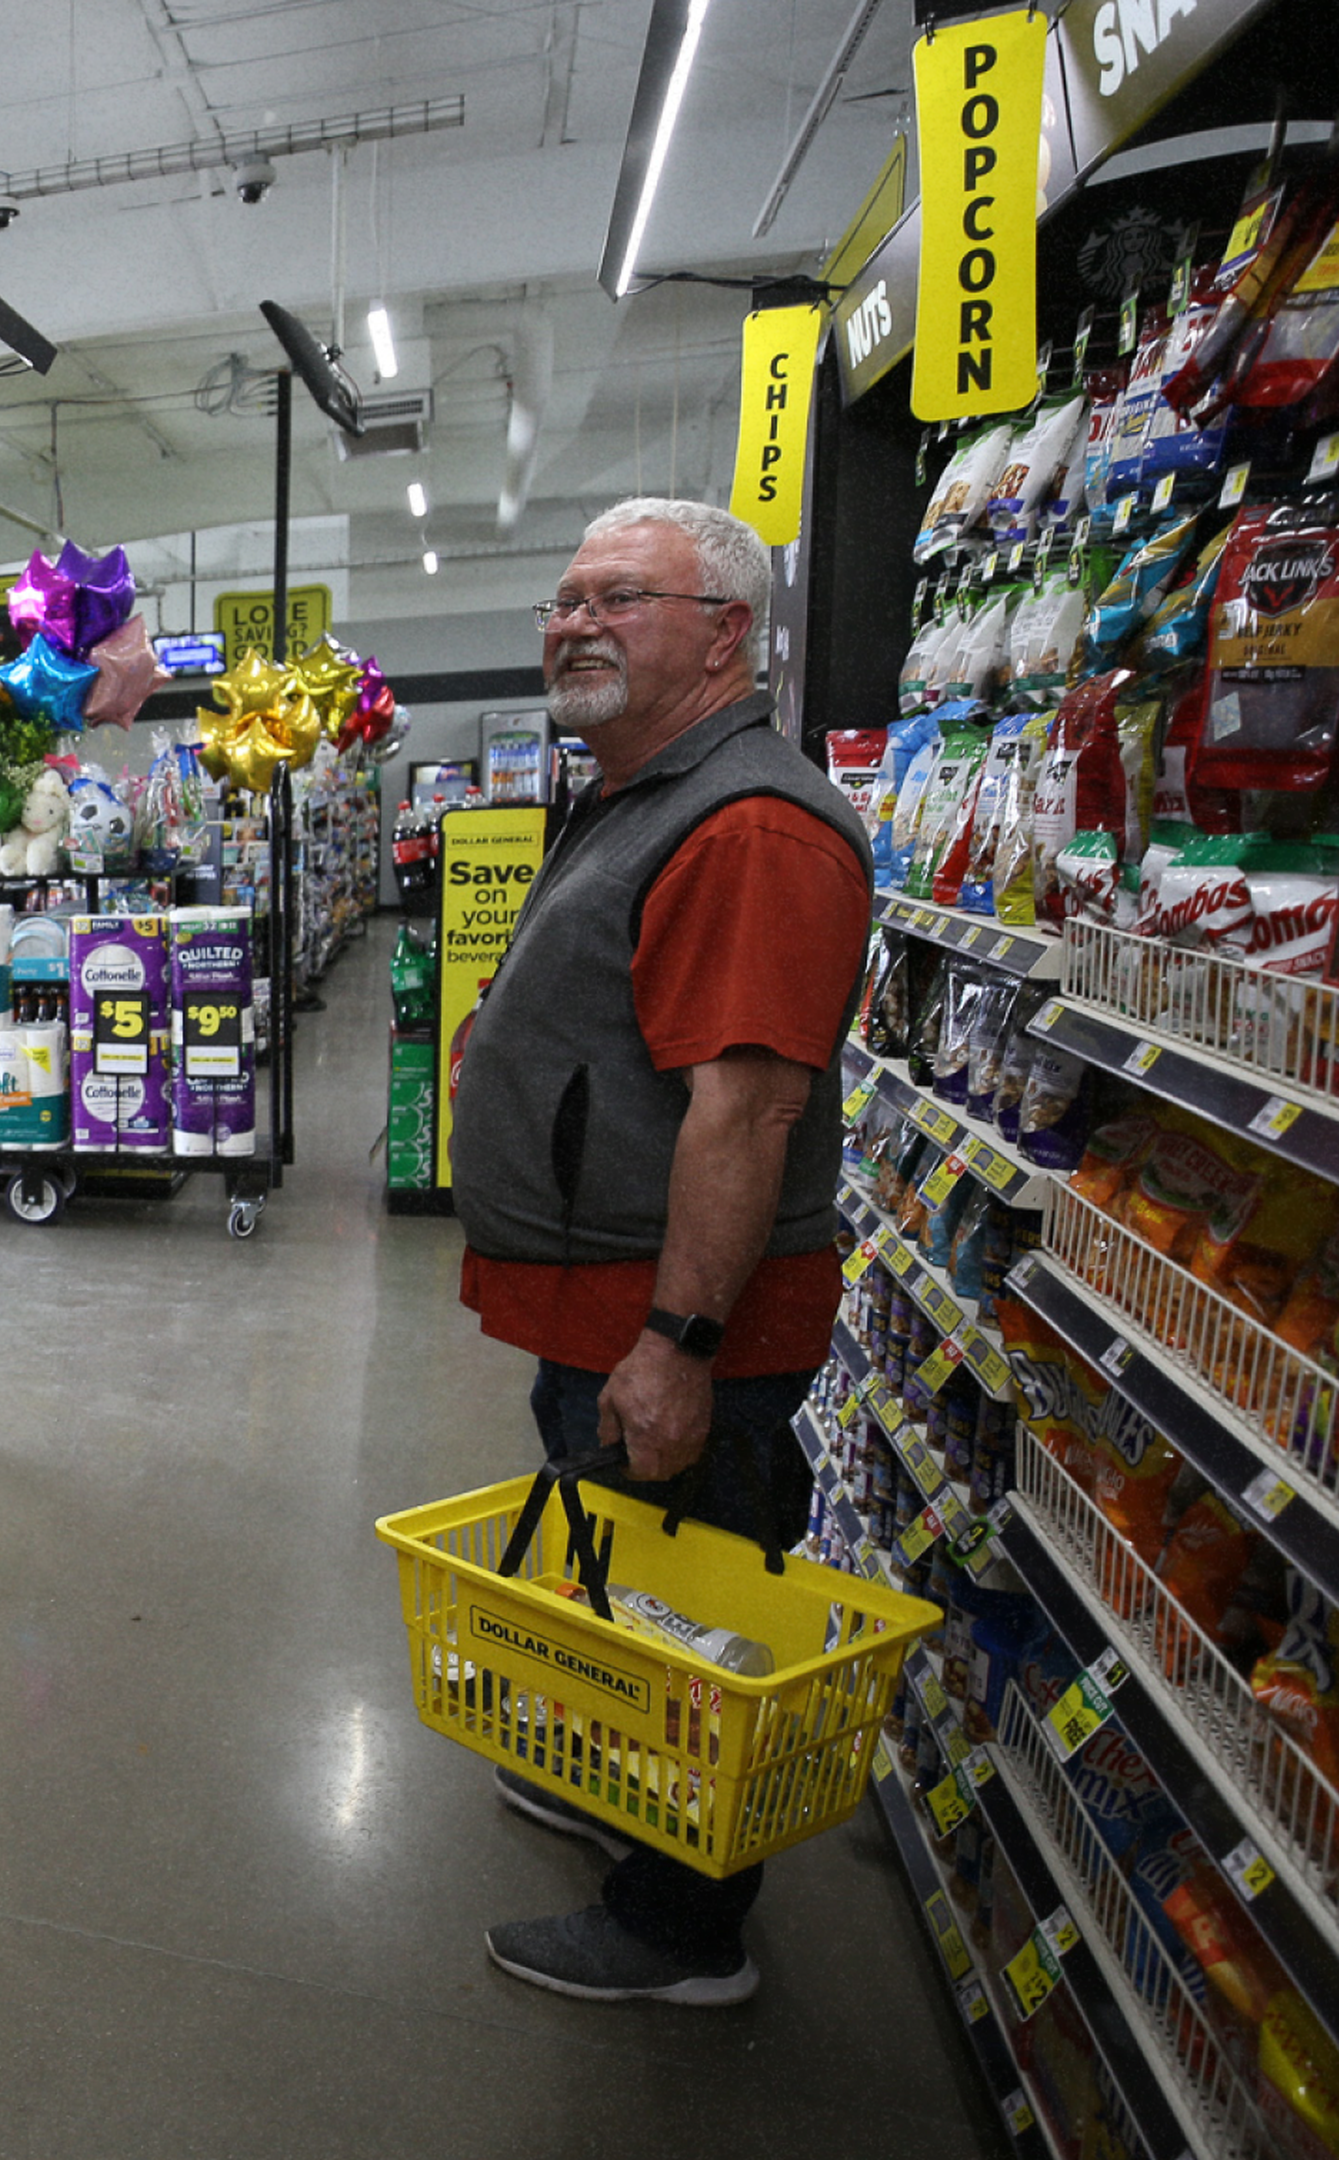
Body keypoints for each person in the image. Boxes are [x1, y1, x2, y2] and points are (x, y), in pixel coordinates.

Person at [448, 497, 870, 2007]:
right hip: (601, 1298)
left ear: (727, 637)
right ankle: (617, 1783)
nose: (575, 621)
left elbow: (744, 1116)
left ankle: (682, 1927)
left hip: (673, 1321)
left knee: (688, 1606)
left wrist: (677, 1348)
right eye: (565, 599)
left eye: (621, 598)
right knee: (621, 1570)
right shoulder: (640, 793)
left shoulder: (747, 824)